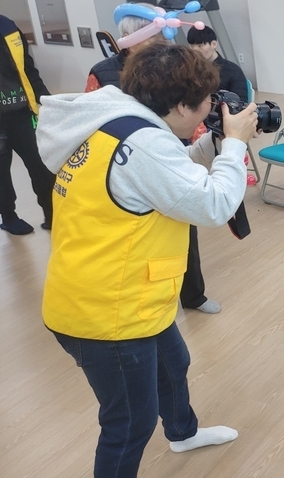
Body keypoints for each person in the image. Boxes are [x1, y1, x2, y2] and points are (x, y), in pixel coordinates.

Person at [36, 43, 258, 477]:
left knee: (174, 366)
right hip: (105, 316)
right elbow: (213, 204)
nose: (211, 107)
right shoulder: (142, 144)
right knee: (129, 424)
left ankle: (182, 432)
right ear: (181, 107)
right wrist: (234, 146)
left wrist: (212, 144)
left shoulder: (116, 121)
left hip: (124, 294)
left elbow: (164, 175)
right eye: (206, 102)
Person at [86, 3, 222, 314]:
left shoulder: (172, 65)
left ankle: (193, 295)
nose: (164, 45)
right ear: (131, 39)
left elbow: (191, 108)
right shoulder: (103, 73)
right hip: (126, 162)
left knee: (184, 227)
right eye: (157, 39)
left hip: (172, 150)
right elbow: (92, 115)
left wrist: (211, 140)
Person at [0, 14, 54, 235]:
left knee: (41, 165)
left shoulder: (8, 26)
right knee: (2, 173)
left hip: (22, 112)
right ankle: (9, 217)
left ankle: (52, 213)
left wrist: (47, 100)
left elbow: (28, 68)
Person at [187, 26, 249, 102]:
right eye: (191, 45)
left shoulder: (233, 71)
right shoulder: (189, 69)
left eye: (200, 45)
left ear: (214, 44)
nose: (194, 50)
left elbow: (240, 103)